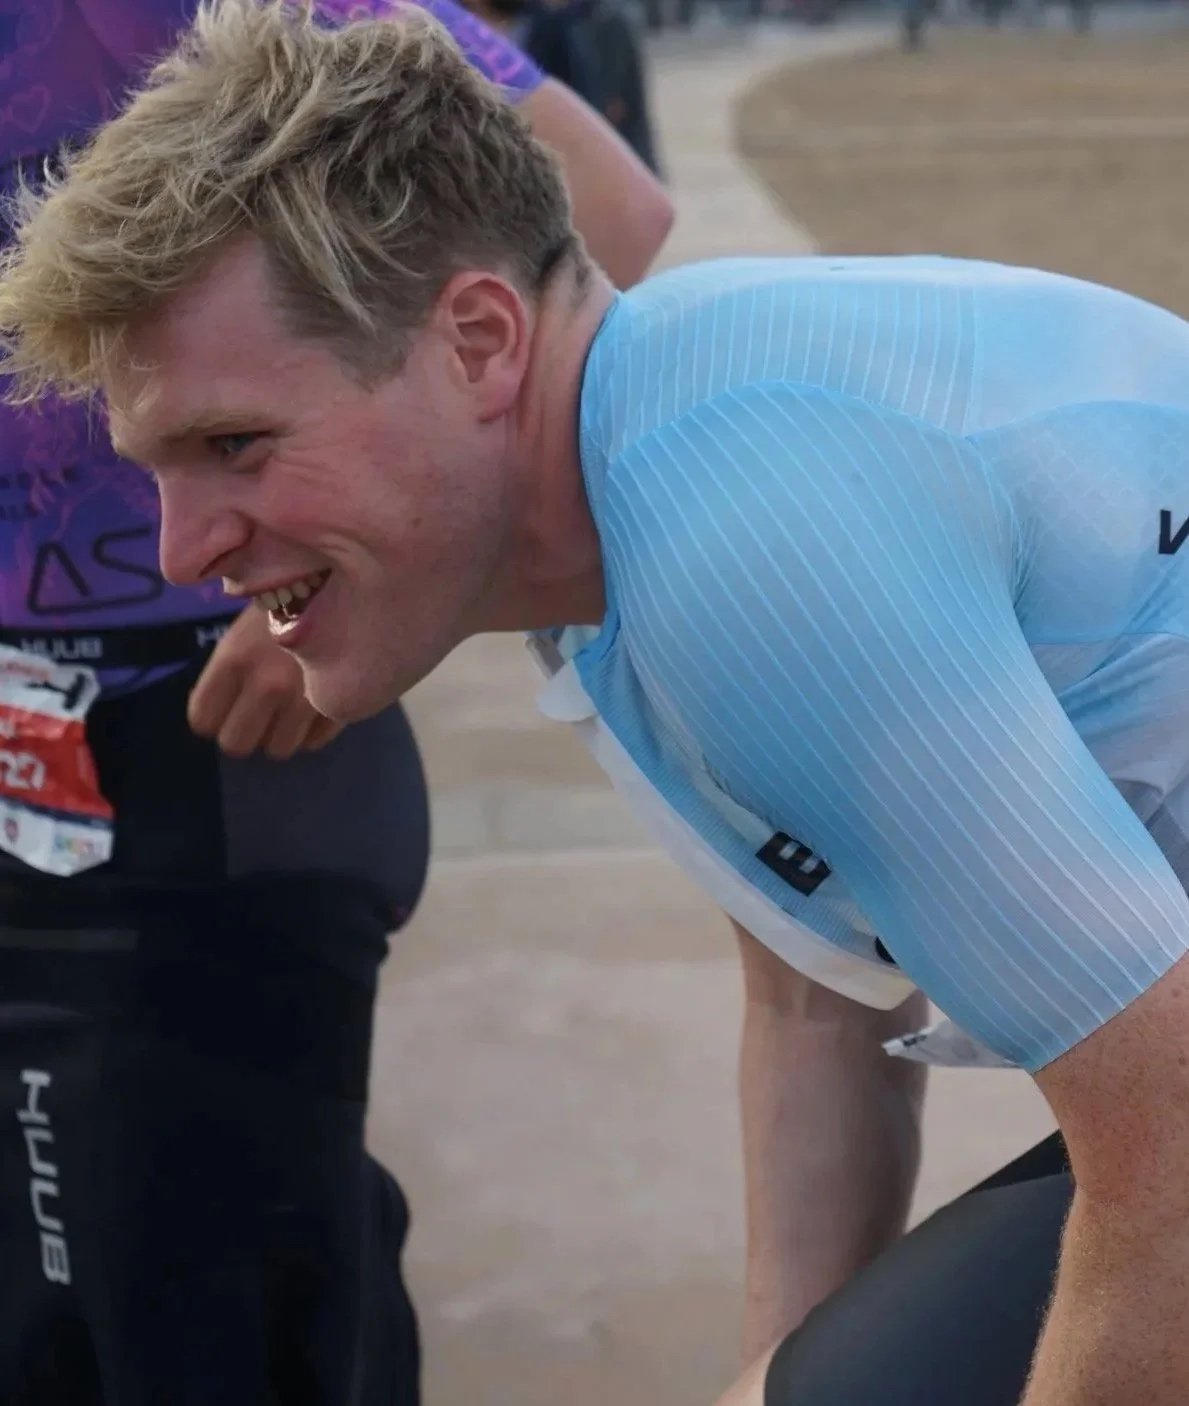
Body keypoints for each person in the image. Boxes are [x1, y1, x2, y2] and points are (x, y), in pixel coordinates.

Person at [7, 3, 1189, 1403]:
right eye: (157, 469)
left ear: (479, 340)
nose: (178, 550)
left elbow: (1170, 1144)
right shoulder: (621, 473)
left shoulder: (734, 535)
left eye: (236, 445)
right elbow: (819, 1000)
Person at [0, 1, 671, 1401]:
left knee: (211, 1302)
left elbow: (602, 214)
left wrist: (298, 593)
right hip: (32, 744)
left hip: (199, 734)